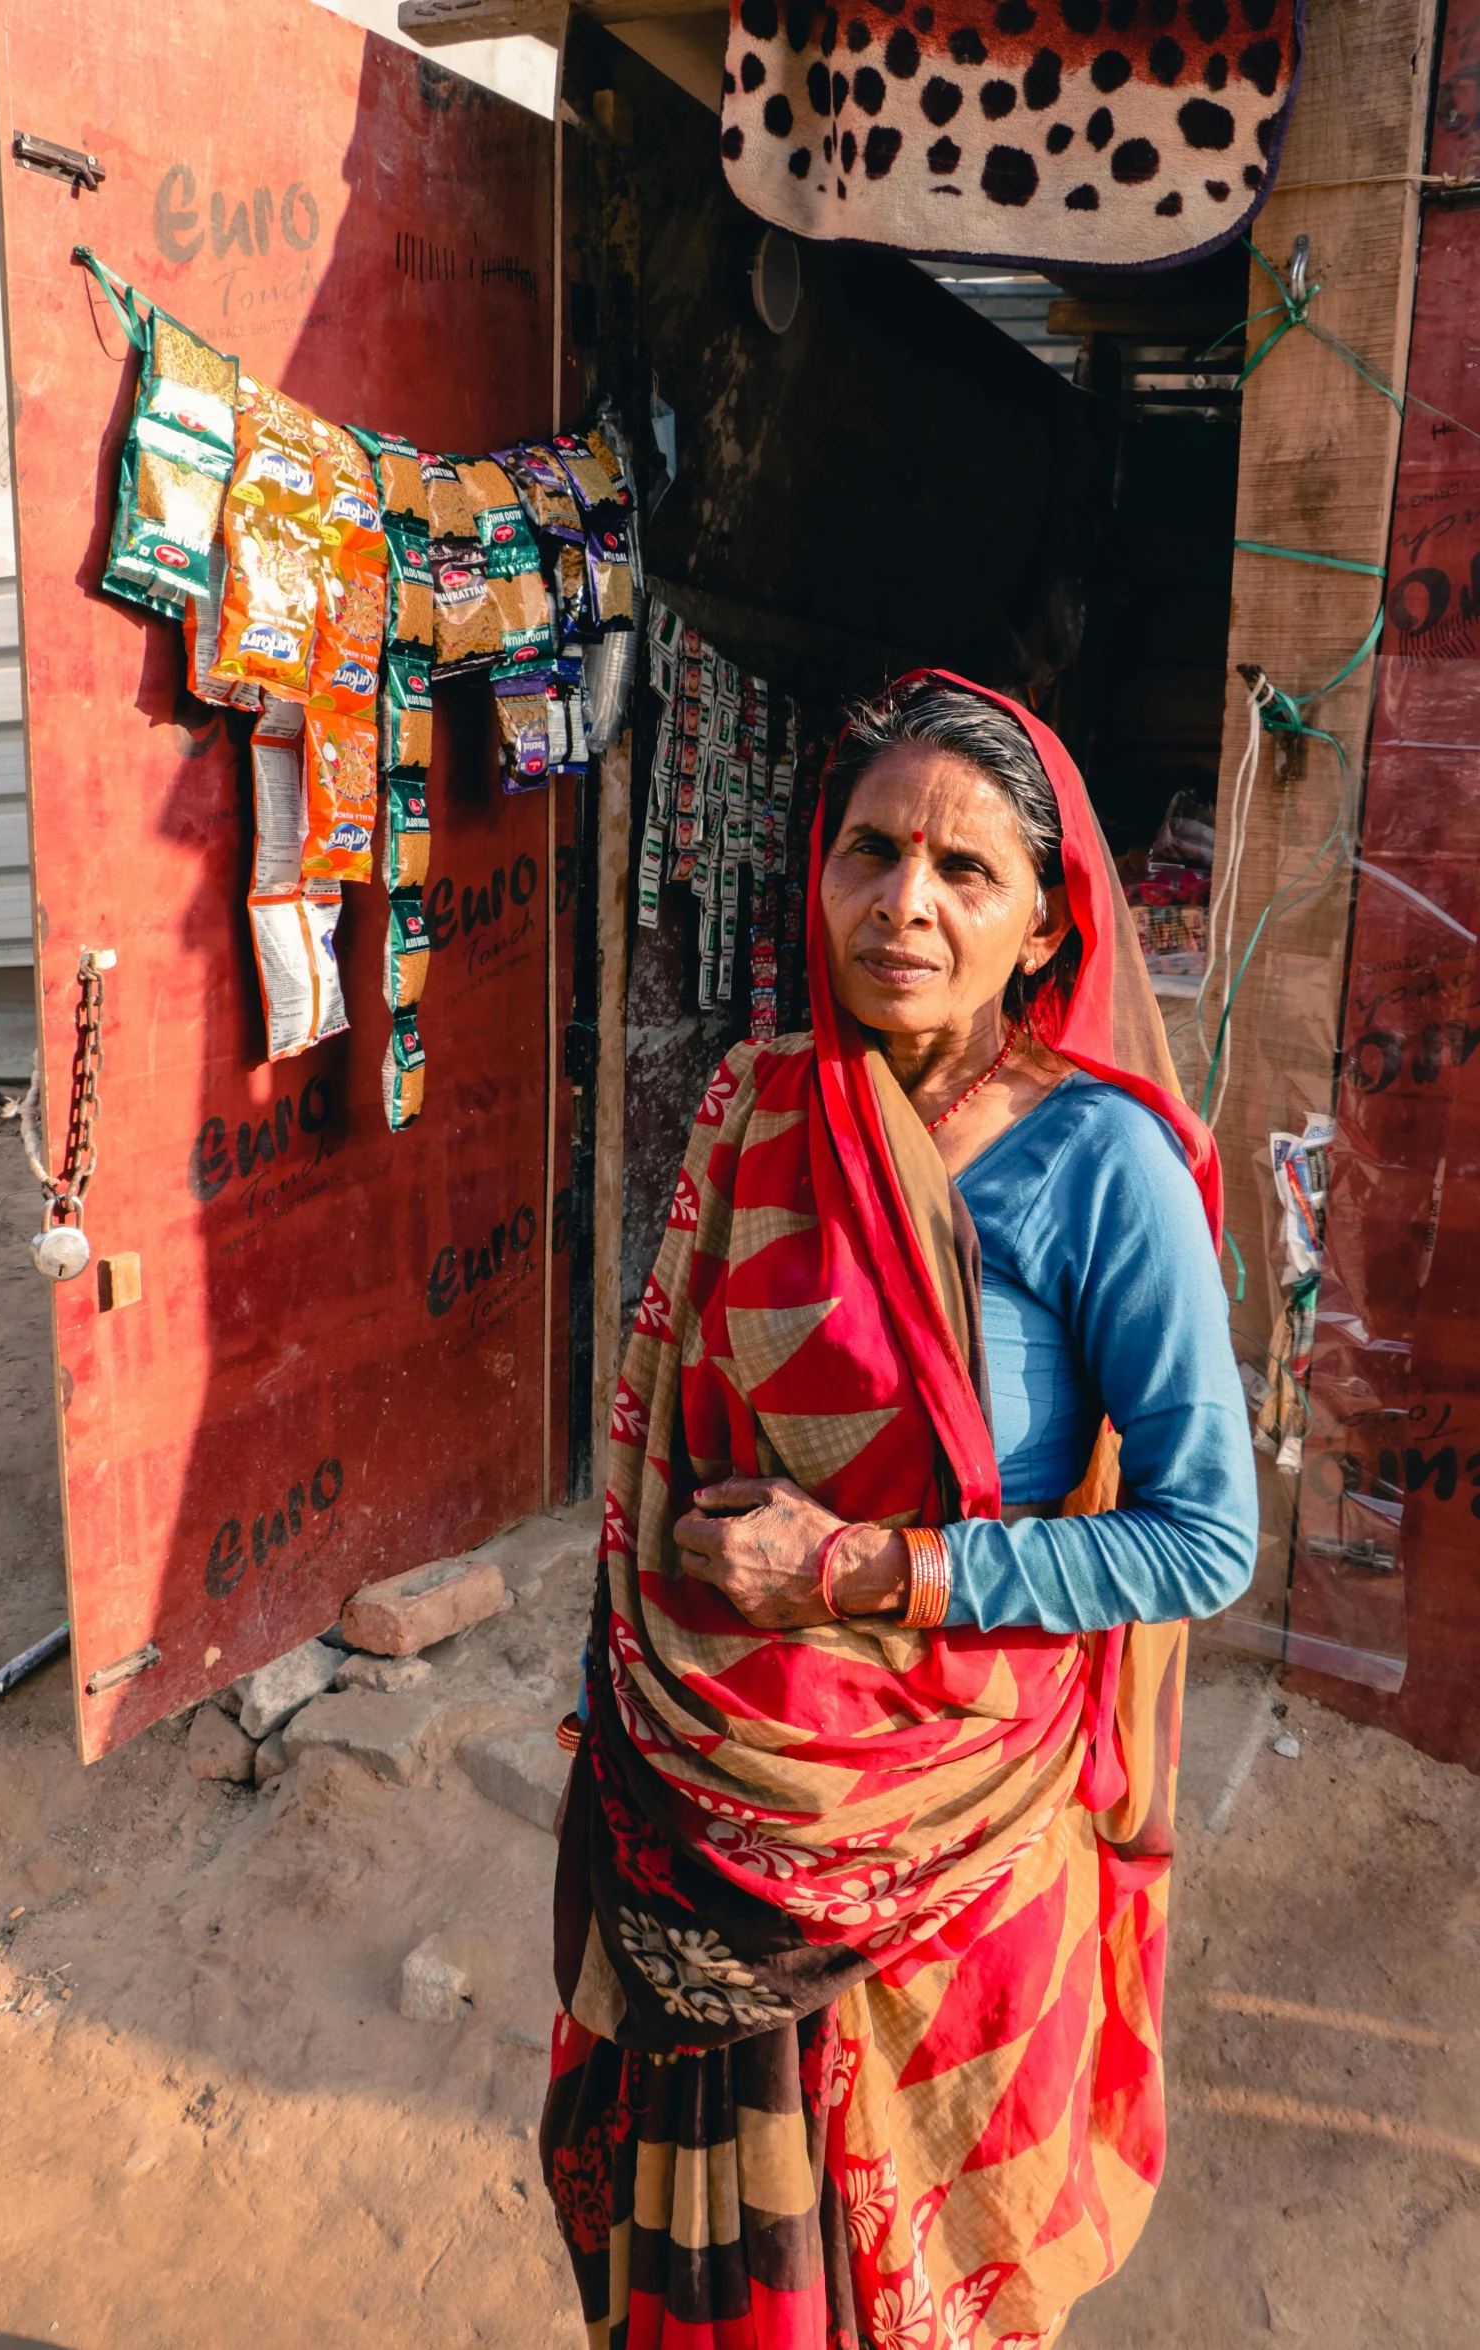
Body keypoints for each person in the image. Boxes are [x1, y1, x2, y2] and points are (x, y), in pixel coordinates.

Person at [541, 672, 1256, 2350]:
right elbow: (660, 1448)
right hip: (709, 1798)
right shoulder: (753, 1108)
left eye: (963, 872)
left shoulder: (1106, 1166)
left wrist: (863, 1567)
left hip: (960, 1837)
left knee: (917, 2292)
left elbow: (1200, 1533)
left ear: (1040, 922)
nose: (904, 903)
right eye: (871, 851)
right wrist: (624, 1715)